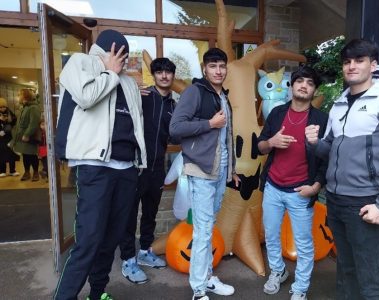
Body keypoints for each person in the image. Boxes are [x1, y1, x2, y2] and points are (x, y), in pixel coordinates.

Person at [305, 39, 379, 300]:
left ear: (372, 65)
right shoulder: (340, 104)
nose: (351, 66)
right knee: (345, 270)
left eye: (359, 60)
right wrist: (313, 144)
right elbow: (329, 150)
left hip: (365, 203)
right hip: (335, 199)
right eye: (346, 62)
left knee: (370, 279)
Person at [53, 29, 147, 300]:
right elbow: (86, 96)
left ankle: (98, 293)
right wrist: (110, 72)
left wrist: (139, 160)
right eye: (120, 54)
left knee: (110, 240)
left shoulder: (128, 81)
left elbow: (136, 123)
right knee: (88, 241)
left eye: (126, 57)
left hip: (126, 168)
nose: (124, 60)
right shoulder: (80, 63)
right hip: (95, 166)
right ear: (108, 51)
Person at [169, 48, 240, 300]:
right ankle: (198, 290)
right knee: (203, 231)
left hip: (219, 172)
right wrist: (209, 123)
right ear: (204, 68)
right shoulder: (195, 92)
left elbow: (226, 137)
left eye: (222, 66)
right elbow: (175, 128)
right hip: (200, 171)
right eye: (213, 66)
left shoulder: (223, 97)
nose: (218, 70)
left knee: (208, 228)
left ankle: (207, 278)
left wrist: (231, 170)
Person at [257, 66, 328, 300]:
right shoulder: (277, 113)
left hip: (301, 191)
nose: (304, 85)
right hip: (273, 187)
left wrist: (315, 187)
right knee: (271, 235)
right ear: (292, 85)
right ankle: (278, 271)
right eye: (299, 81)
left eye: (309, 82)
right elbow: (259, 147)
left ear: (314, 89)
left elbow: (328, 158)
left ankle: (300, 288)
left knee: (304, 243)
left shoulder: (321, 119)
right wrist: (272, 142)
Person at [119, 57, 177, 284]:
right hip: (136, 167)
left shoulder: (174, 106)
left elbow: (175, 134)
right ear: (153, 75)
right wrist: (132, 94)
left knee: (150, 213)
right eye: (160, 72)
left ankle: (144, 252)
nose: (164, 76)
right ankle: (127, 259)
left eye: (168, 72)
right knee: (129, 215)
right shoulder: (142, 97)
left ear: (173, 76)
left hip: (157, 168)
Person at [11, 89, 41, 181]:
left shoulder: (33, 107)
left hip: (29, 137)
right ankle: (27, 172)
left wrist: (27, 134)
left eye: (20, 94)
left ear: (25, 96)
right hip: (21, 136)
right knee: (25, 155)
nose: (18, 96)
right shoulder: (24, 107)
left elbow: (33, 123)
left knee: (32, 155)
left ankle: (36, 173)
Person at [0, 97, 19, 177]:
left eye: (4, 107)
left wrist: (7, 127)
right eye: (0, 107)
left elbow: (14, 121)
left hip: (8, 136)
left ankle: (12, 170)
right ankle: (2, 171)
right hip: (0, 138)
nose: (2, 109)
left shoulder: (9, 112)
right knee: (1, 154)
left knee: (11, 153)